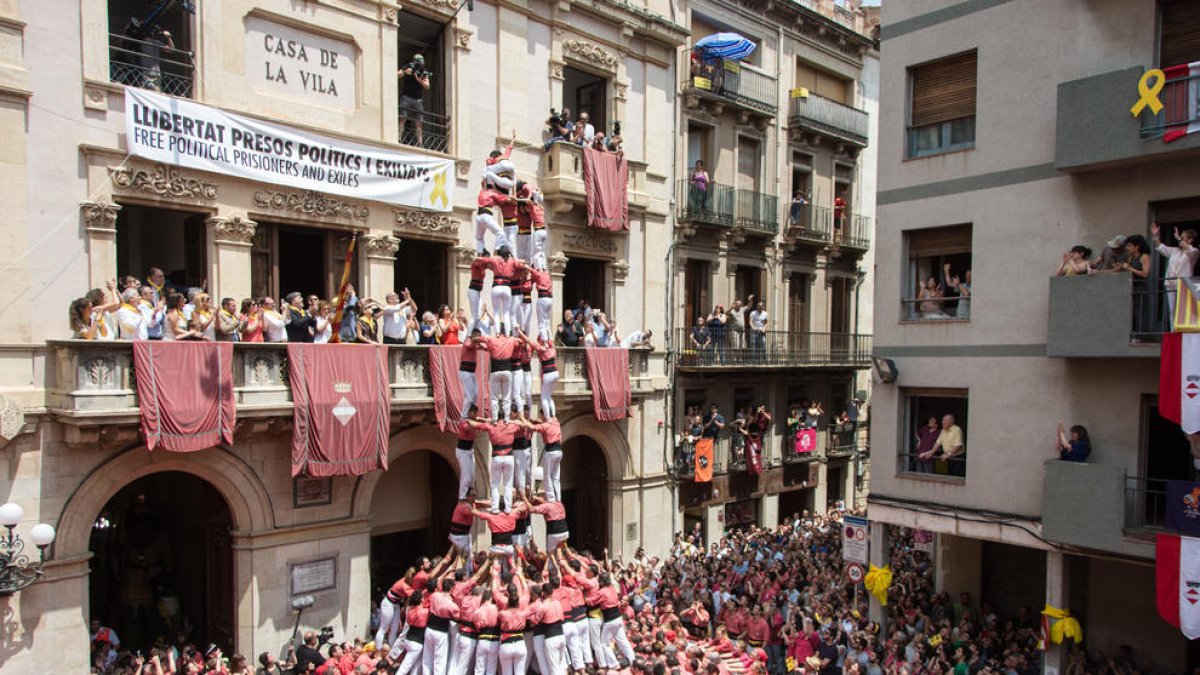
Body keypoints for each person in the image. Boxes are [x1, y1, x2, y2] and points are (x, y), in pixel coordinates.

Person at [1153, 222, 1200, 328]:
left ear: (1190, 240)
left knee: (1183, 309)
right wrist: (1156, 235)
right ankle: (1174, 332)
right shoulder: (1175, 251)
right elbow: (1160, 247)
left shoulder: (1194, 252)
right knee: (1172, 309)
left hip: (1184, 285)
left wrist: (1179, 239)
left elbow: (1188, 250)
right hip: (1170, 283)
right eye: (1180, 238)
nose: (1179, 239)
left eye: (1182, 238)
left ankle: (1185, 330)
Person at [398, 54, 432, 146]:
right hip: (406, 97)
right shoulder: (409, 65)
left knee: (419, 123)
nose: (420, 66)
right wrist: (405, 72)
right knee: (403, 118)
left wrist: (419, 79)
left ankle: (420, 144)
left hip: (418, 99)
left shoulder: (423, 71)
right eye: (419, 64)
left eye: (421, 64)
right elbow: (397, 74)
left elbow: (427, 86)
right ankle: (399, 138)